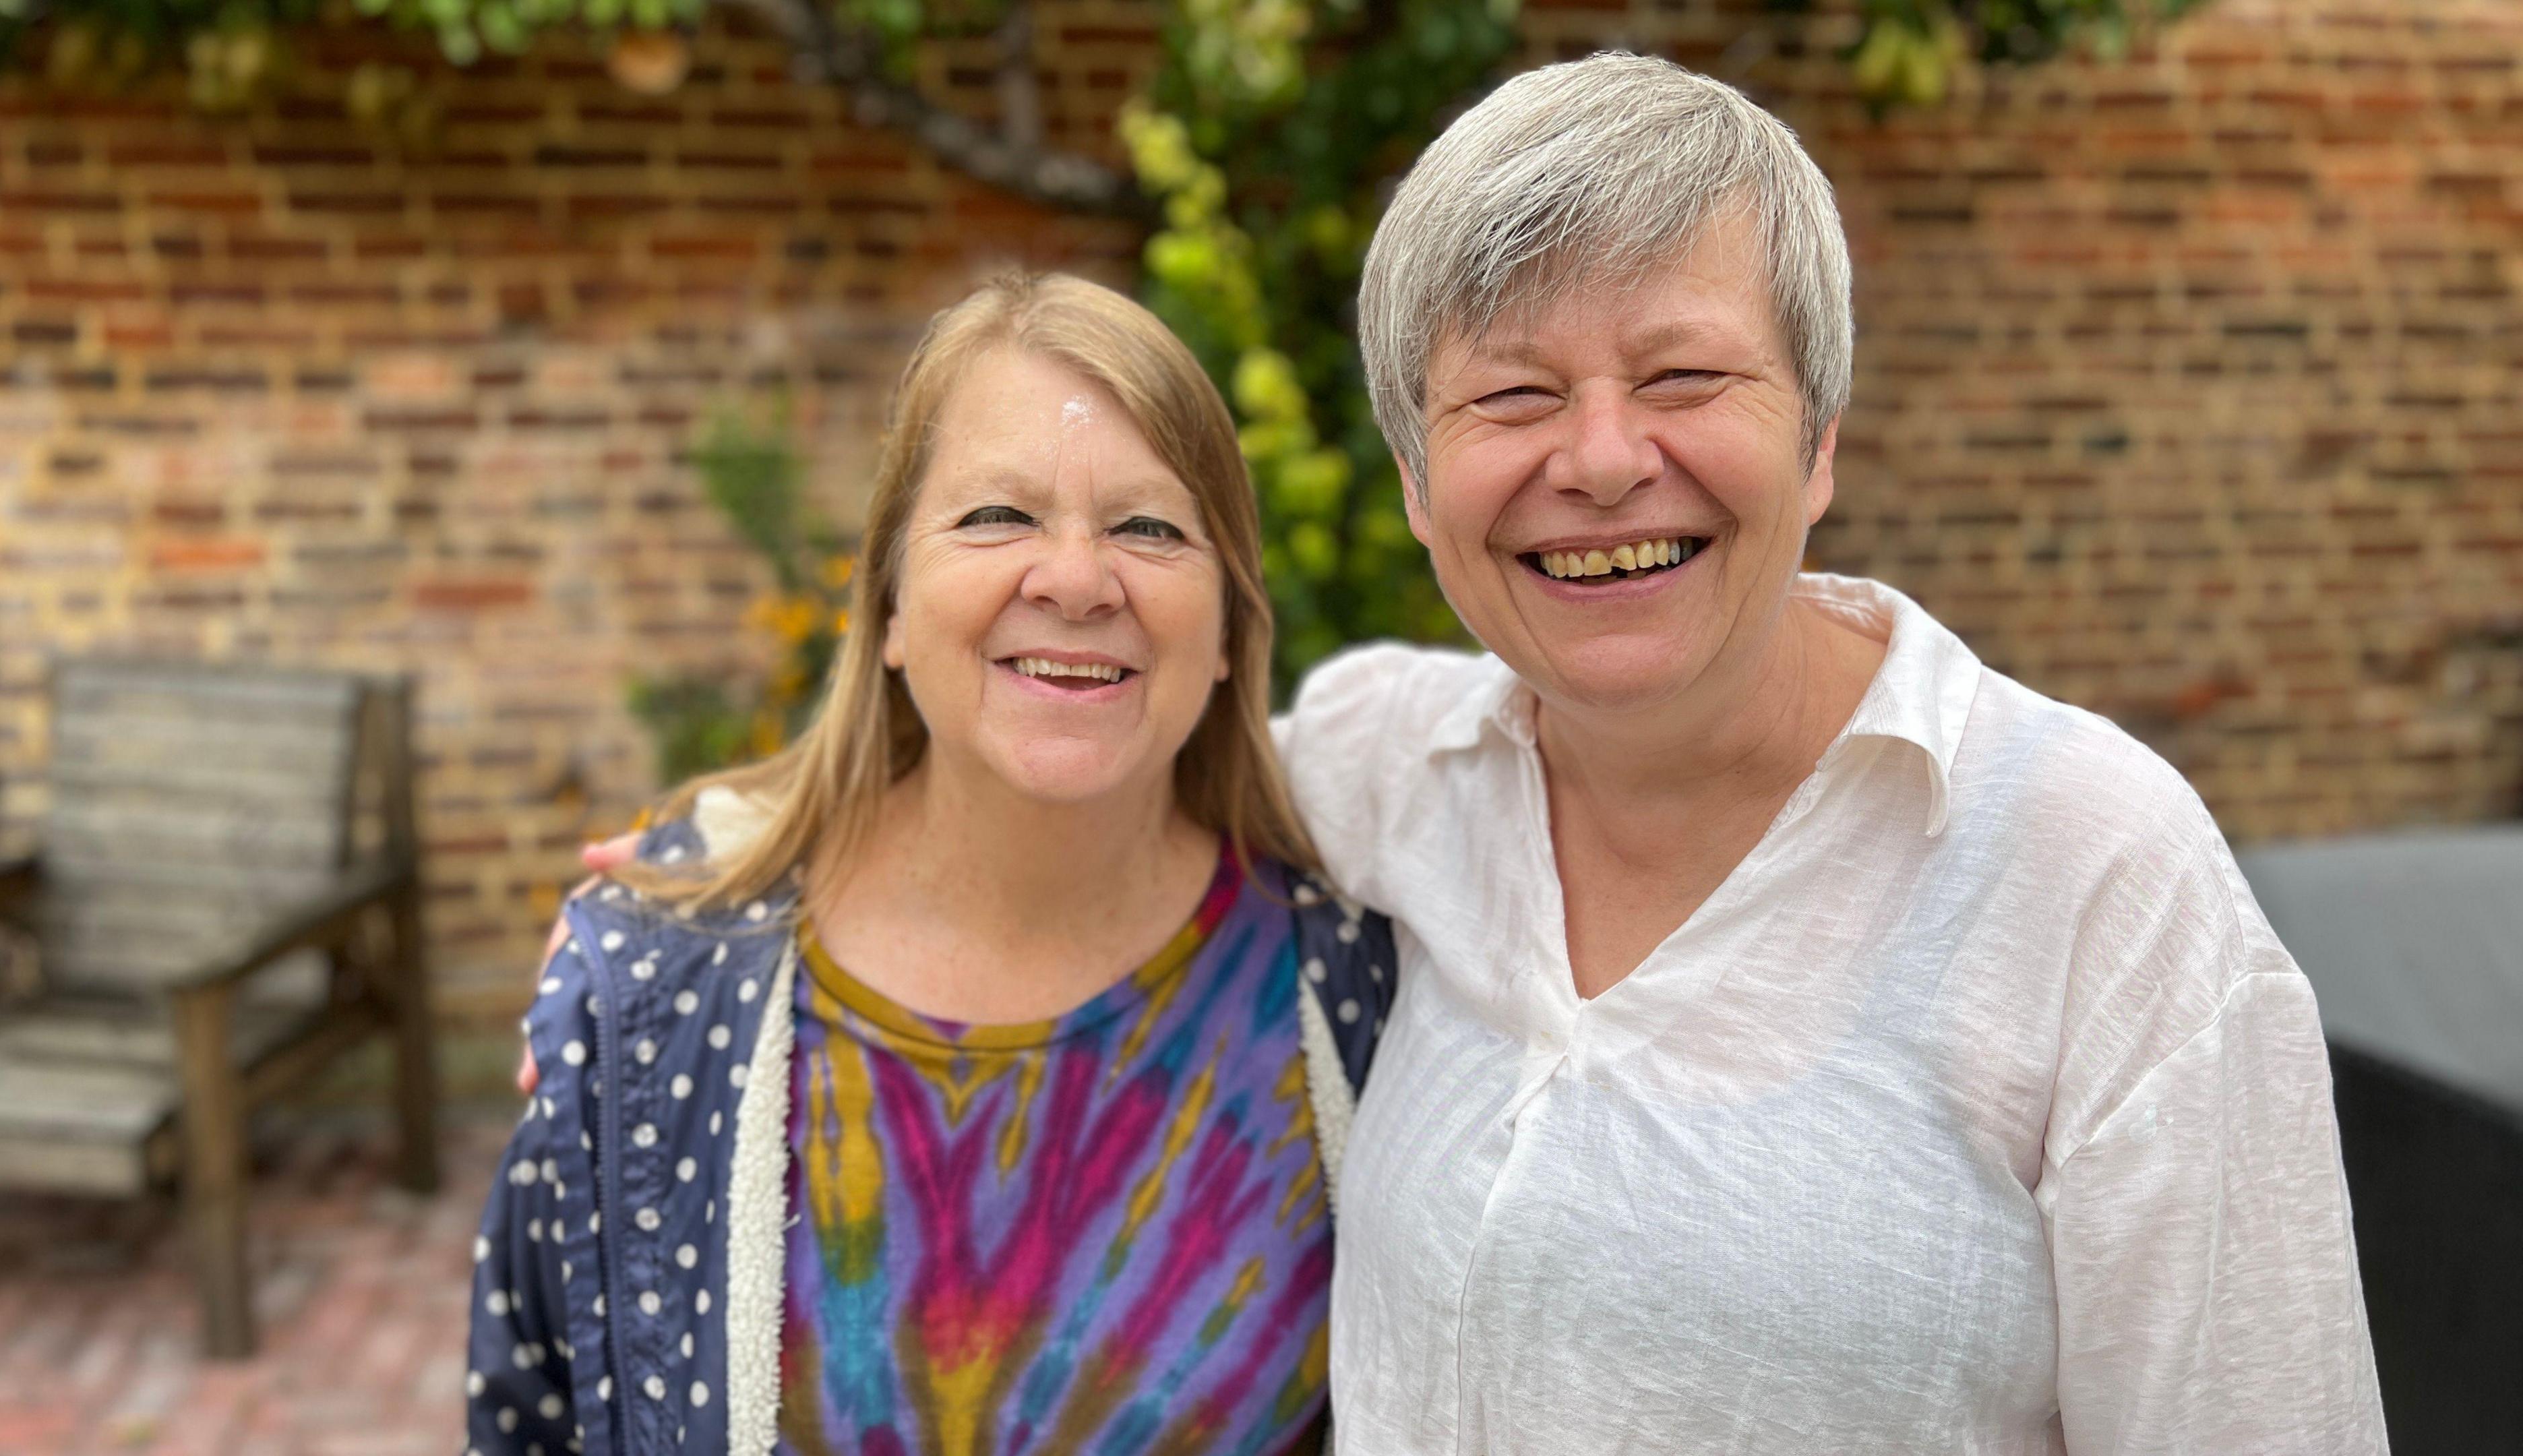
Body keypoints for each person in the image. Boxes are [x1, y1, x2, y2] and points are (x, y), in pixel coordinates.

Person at [1273, 53, 2387, 1453]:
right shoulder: (1389, 764)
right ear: (1417, 489)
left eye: (1683, 374)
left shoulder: (2094, 871)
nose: (1605, 458)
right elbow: (1069, 806)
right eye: (1512, 396)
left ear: (1818, 442)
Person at [462, 272, 1394, 1456]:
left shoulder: (1357, 981)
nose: (1074, 579)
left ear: (1227, 631)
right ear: (891, 610)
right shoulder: (653, 991)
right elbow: (527, 1420)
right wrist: (655, 926)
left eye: (1149, 527)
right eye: (997, 516)